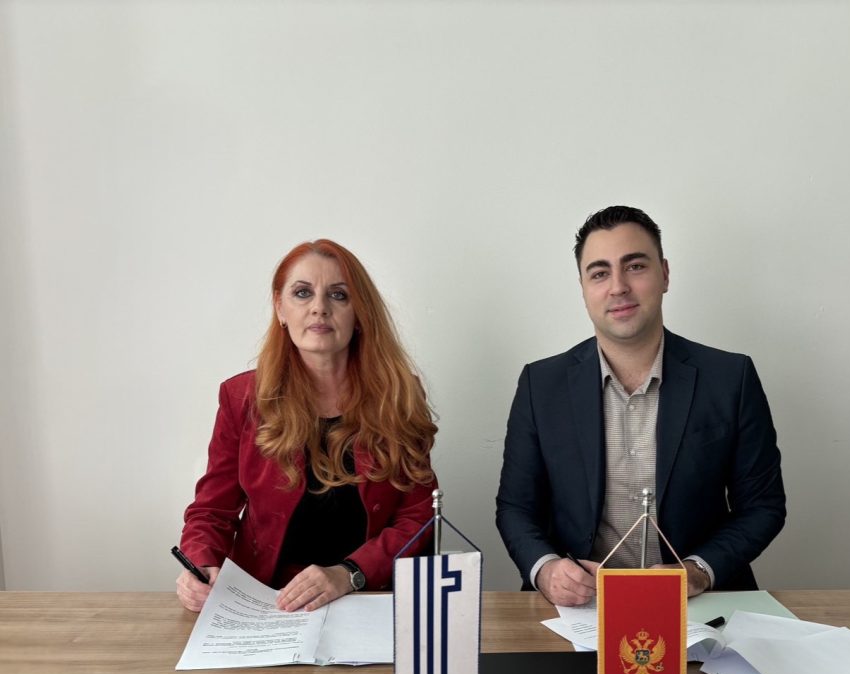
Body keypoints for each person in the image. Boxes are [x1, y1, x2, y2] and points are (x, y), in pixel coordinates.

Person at [496, 206, 785, 607]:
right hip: (581, 608)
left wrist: (698, 571)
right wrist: (545, 569)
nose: (618, 287)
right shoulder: (540, 385)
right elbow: (515, 508)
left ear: (664, 274)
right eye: (599, 273)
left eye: (634, 266)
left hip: (700, 603)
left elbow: (763, 507)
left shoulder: (730, 378)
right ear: (583, 288)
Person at [176, 239, 436, 613]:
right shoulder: (241, 397)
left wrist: (350, 574)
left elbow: (419, 516)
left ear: (360, 312)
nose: (319, 308)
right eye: (302, 293)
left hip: (369, 597)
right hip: (267, 601)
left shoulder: (399, 394)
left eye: (338, 295)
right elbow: (212, 510)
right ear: (280, 307)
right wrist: (200, 562)